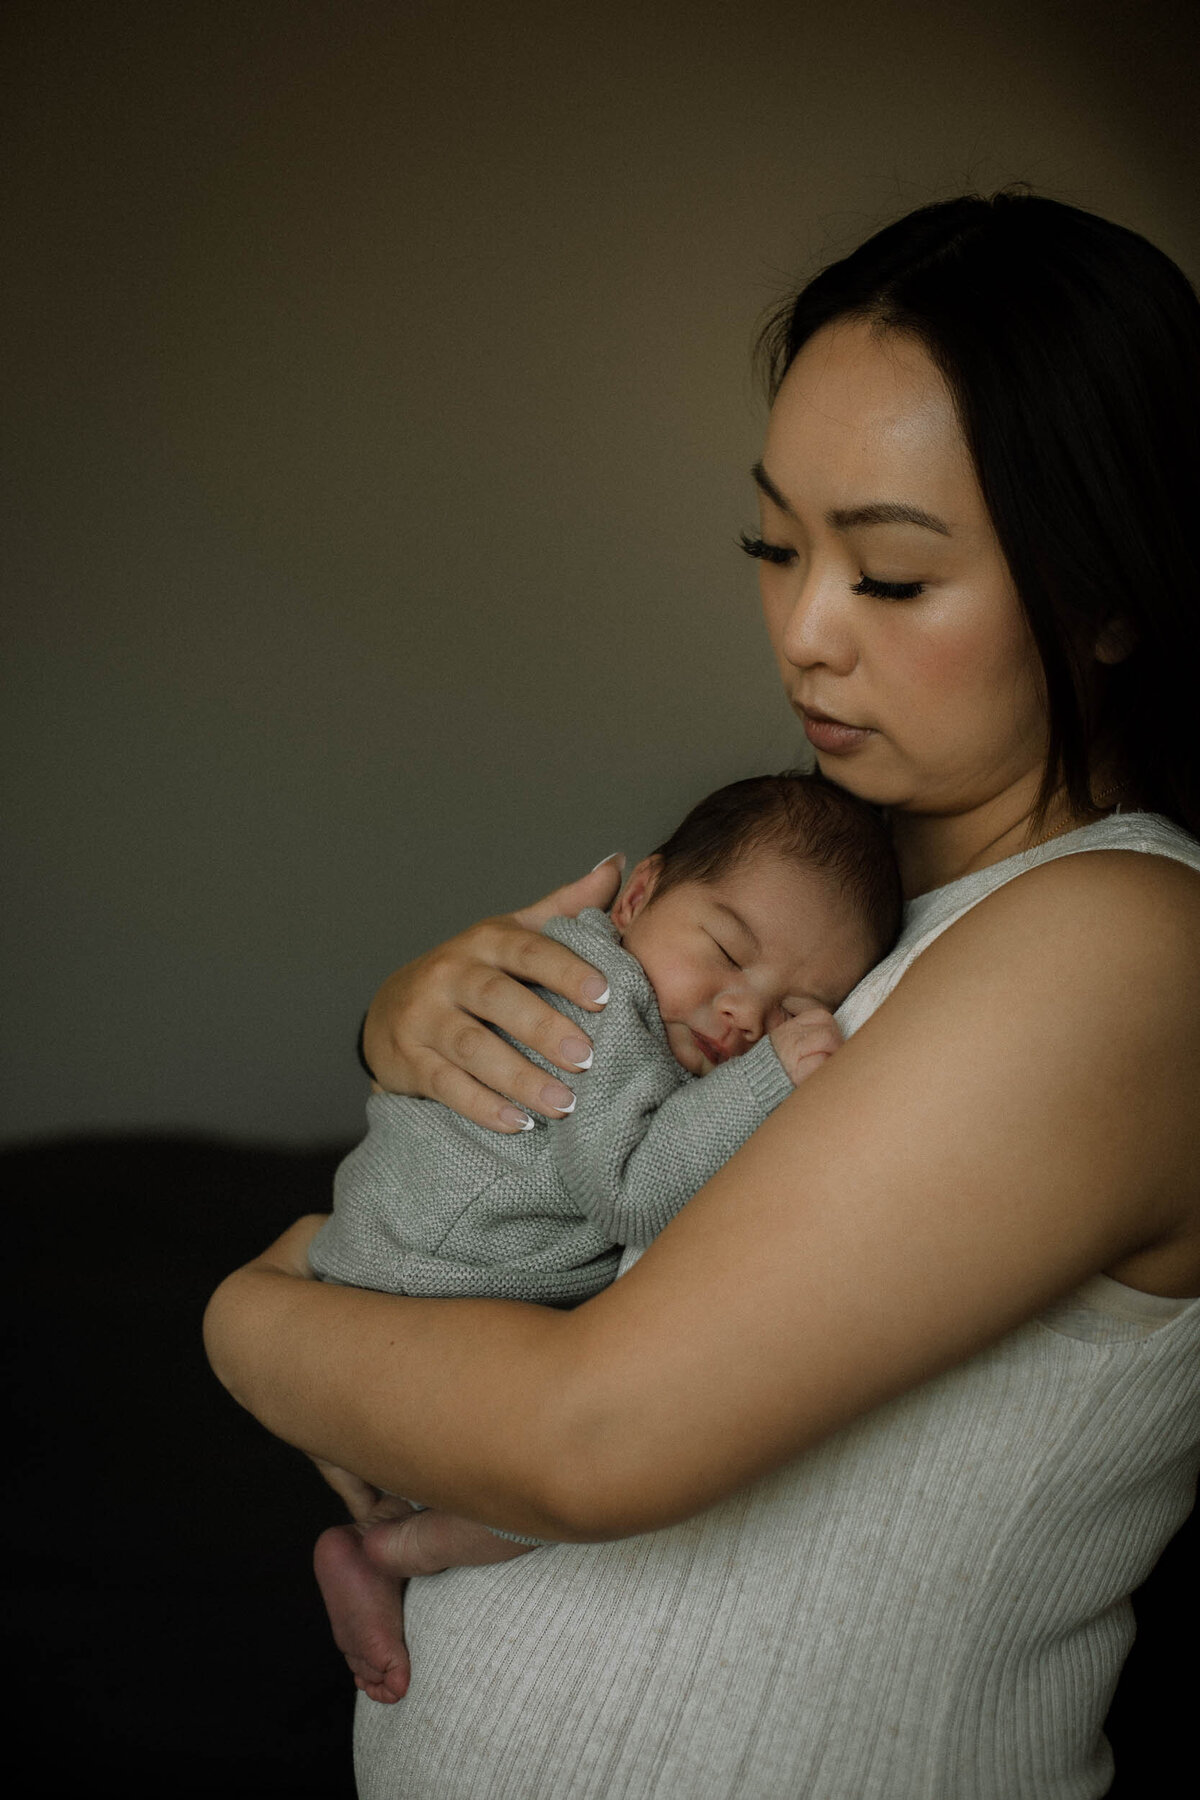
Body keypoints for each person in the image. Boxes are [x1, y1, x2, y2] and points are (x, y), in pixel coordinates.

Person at [204, 187, 1200, 1798]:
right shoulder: (841, 919)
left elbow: (595, 1434)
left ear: (1106, 598)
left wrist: (248, 1314)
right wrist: (417, 1022)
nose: (803, 633)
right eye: (773, 543)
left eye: (889, 577)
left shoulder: (1126, 944)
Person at [307, 770, 901, 1703]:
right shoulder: (593, 1000)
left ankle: (377, 1548)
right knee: (574, 1482)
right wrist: (775, 1075)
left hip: (395, 1270)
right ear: (637, 896)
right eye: (726, 952)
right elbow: (632, 1191)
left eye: (793, 1005)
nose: (743, 1012)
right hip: (416, 1282)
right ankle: (390, 1550)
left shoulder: (632, 996)